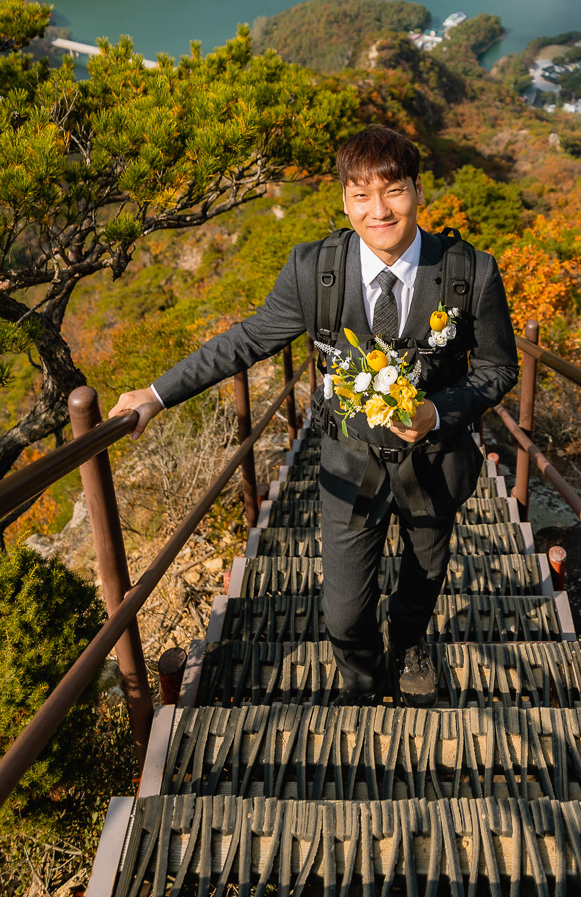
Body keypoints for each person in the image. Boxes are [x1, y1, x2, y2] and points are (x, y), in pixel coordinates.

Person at [110, 123, 519, 706]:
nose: (379, 210)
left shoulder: (470, 271)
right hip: (351, 461)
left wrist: (438, 411)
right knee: (345, 611)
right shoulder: (314, 270)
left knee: (424, 576)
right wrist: (157, 393)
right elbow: (249, 339)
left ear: (418, 191)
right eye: (361, 194)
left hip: (435, 459)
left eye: (393, 191)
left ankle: (409, 645)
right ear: (344, 201)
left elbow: (499, 369)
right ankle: (365, 681)